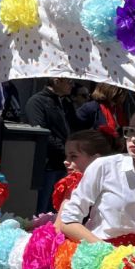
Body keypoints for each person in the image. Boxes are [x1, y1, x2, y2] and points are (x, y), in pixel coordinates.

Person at [59, 106, 135, 246]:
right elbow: (68, 220)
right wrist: (106, 251)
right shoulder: (104, 167)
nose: (134, 138)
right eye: (131, 131)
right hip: (101, 256)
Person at [24, 78, 80, 214]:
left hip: (64, 164)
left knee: (59, 208)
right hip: (47, 165)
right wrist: (65, 150)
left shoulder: (65, 102)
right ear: (56, 81)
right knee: (42, 210)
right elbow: (42, 133)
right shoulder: (37, 102)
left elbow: (73, 127)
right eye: (69, 81)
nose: (72, 85)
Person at [50, 129, 115, 215]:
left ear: (96, 160)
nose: (65, 161)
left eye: (73, 156)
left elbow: (66, 222)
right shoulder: (72, 183)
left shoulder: (107, 188)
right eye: (66, 156)